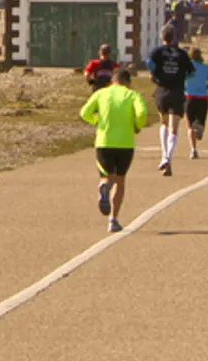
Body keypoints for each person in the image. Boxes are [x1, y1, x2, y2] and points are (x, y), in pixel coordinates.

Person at [81, 66, 150, 233]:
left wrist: (96, 121)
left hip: (104, 141)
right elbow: (142, 113)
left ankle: (104, 186)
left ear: (113, 80)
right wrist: (136, 125)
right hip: (125, 143)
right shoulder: (132, 95)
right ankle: (113, 219)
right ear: (128, 82)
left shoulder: (101, 94)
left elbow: (84, 112)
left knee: (106, 175)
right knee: (120, 180)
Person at [147, 24, 194, 176]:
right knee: (174, 128)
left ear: (162, 37)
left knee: (164, 123)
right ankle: (168, 158)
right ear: (174, 37)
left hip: (162, 90)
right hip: (177, 90)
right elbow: (191, 72)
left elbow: (150, 64)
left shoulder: (157, 52)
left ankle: (163, 156)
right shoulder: (182, 53)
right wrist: (182, 77)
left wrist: (155, 75)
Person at [183, 45, 208, 158]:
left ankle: (193, 149)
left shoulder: (186, 68)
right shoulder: (205, 68)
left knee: (190, 126)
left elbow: (182, 82)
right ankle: (200, 127)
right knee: (201, 121)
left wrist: (185, 90)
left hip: (190, 97)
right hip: (202, 97)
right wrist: (204, 87)